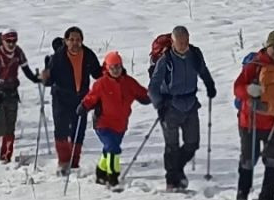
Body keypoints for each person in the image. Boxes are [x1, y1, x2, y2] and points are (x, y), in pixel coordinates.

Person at [148, 25, 216, 191]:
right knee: (172, 145)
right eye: (180, 42)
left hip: (191, 104)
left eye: (186, 41)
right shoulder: (165, 60)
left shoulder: (194, 55)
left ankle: (177, 170)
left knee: (192, 143)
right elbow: (153, 87)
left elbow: (203, 70)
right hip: (170, 106)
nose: (184, 45)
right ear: (172, 42)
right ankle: (172, 180)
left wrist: (209, 84)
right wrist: (159, 104)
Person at [234, 30, 274, 200]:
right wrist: (248, 91)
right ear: (268, 46)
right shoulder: (254, 65)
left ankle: (267, 198)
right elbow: (237, 88)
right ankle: (243, 194)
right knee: (248, 160)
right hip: (249, 121)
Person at [81, 52, 151, 186]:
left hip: (120, 125)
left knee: (109, 148)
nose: (115, 70)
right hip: (103, 123)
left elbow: (142, 93)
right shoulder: (101, 84)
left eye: (118, 67)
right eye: (112, 67)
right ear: (107, 68)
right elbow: (91, 98)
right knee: (113, 148)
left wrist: (153, 97)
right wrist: (84, 106)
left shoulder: (129, 82)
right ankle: (112, 176)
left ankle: (100, 172)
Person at [40, 26, 101, 172]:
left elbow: (97, 73)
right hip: (61, 98)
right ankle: (63, 161)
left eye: (78, 40)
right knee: (61, 130)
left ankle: (74, 163)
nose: (75, 43)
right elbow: (49, 81)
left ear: (82, 41)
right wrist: (45, 77)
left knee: (78, 130)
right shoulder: (58, 57)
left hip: (81, 99)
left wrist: (110, 68)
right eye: (72, 40)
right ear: (66, 41)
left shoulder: (88, 54)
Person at [0, 30, 39, 163]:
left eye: (14, 41)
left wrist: (36, 79)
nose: (11, 44)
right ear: (3, 40)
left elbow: (26, 69)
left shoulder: (18, 52)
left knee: (10, 128)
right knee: (0, 126)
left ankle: (6, 157)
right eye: (9, 41)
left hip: (12, 93)